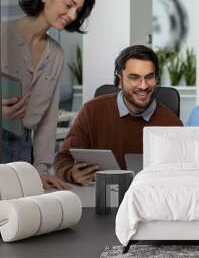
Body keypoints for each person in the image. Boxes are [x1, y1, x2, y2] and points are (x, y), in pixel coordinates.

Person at [0, 0, 96, 190]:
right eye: (69, 5)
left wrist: (41, 170)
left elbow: (48, 120)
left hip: (23, 150)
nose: (72, 15)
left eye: (78, 11)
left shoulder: (56, 54)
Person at [53, 45, 183, 186]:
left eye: (149, 77)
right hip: (99, 197)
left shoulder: (173, 123)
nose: (143, 86)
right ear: (119, 81)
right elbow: (63, 159)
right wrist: (72, 173)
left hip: (150, 199)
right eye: (134, 78)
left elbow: (181, 175)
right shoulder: (92, 111)